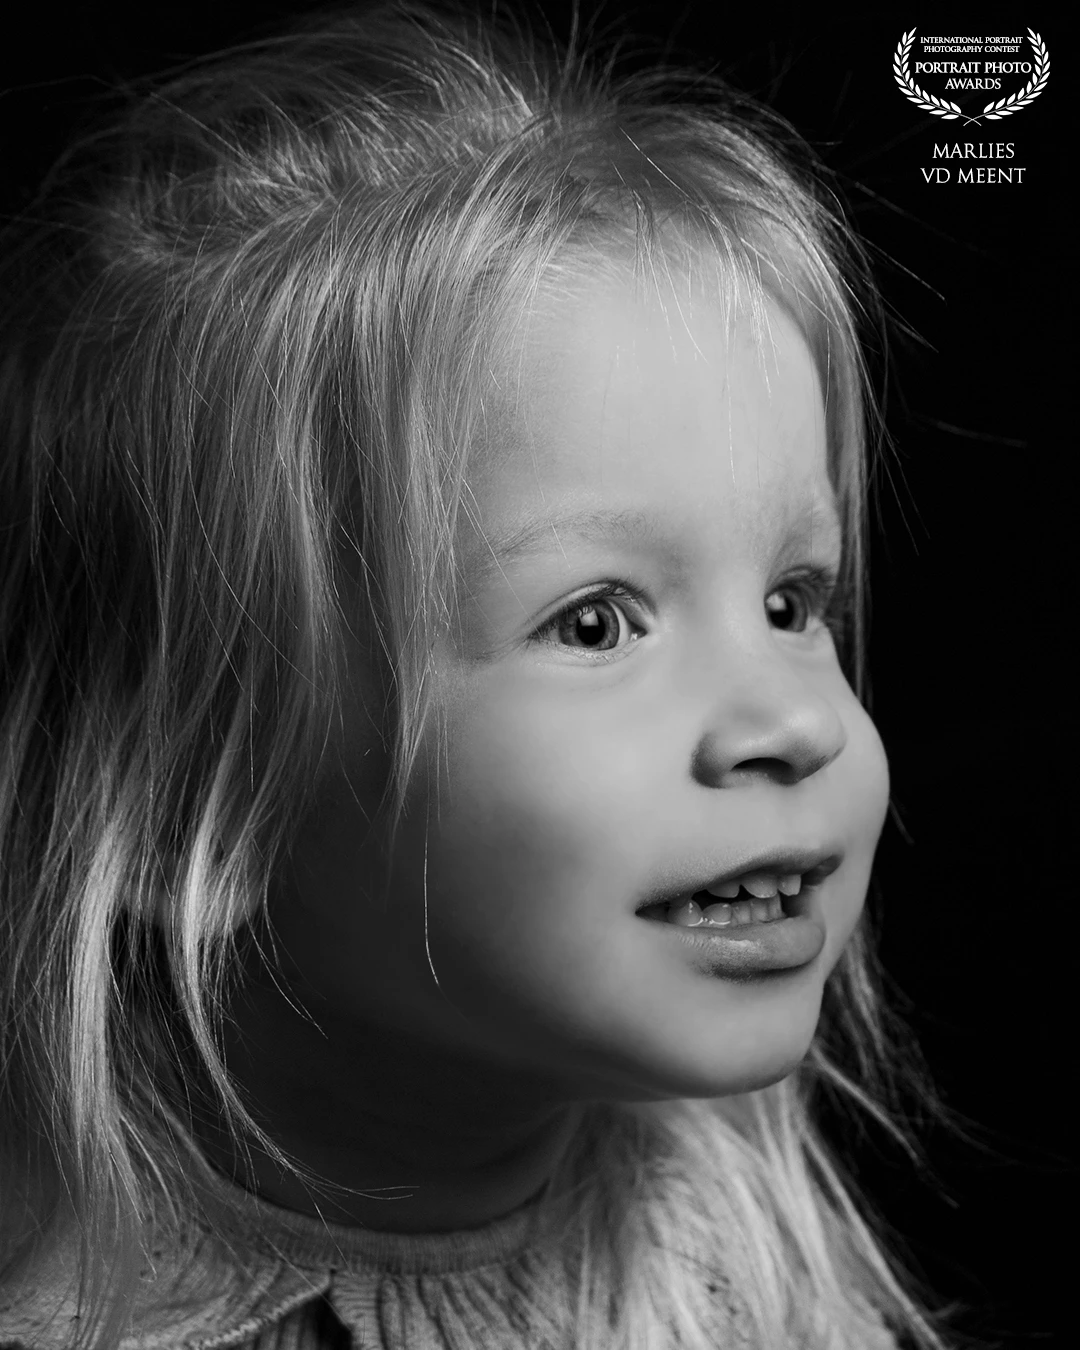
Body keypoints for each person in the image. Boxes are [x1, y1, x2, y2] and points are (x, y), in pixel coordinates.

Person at [0, 2, 973, 1346]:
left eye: (790, 602)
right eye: (596, 624)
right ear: (183, 813)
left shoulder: (747, 1272)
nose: (796, 720)